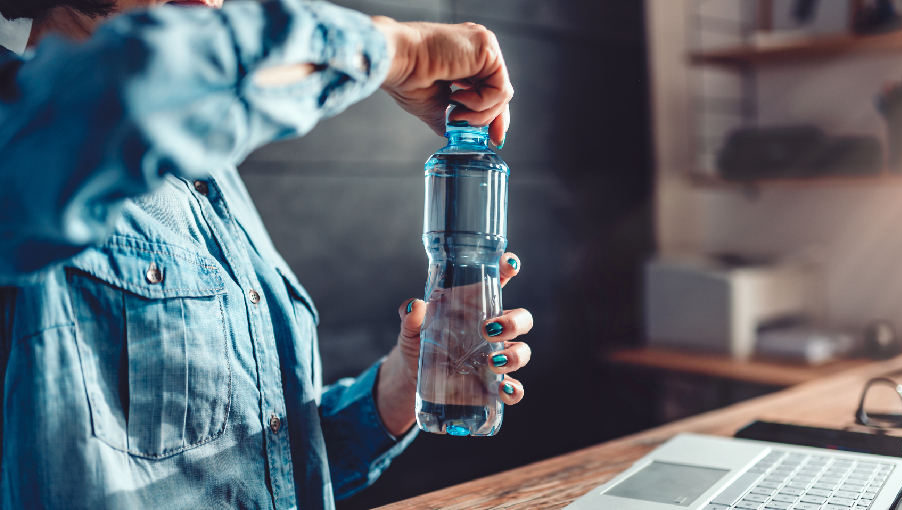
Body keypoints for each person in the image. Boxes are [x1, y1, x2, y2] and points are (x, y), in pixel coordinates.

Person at [0, 0, 533, 508]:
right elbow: (130, 91)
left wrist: (397, 388)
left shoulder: (209, 166)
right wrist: (401, 50)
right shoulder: (22, 126)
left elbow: (250, 464)